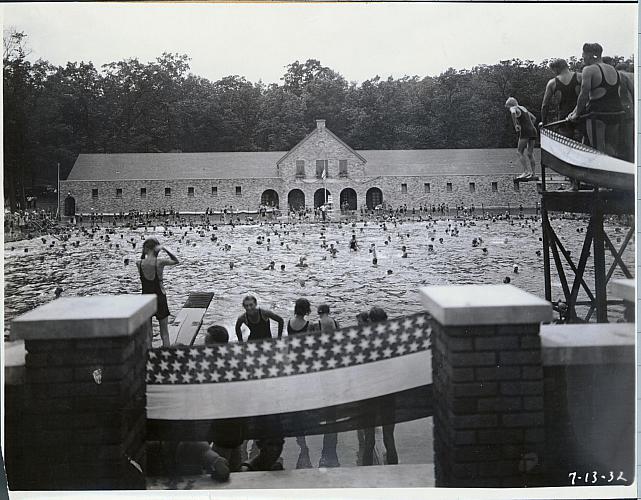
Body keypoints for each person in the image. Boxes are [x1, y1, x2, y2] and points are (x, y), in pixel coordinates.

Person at [568, 43, 624, 157]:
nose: (582, 57)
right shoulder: (613, 69)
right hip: (616, 112)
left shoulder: (589, 70)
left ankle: (601, 174)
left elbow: (584, 95)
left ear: (591, 55)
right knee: (610, 148)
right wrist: (573, 112)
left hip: (598, 114)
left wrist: (576, 115)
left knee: (598, 151)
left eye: (583, 54)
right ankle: (612, 174)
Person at [361, 307, 398, 466]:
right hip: (388, 391)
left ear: (371, 321)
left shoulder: (365, 341)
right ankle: (394, 475)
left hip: (369, 393)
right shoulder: (391, 340)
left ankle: (367, 475)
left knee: (369, 440)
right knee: (389, 438)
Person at [286, 298, 314, 468]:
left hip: (292, 356)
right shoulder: (309, 325)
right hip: (303, 358)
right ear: (307, 310)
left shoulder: (289, 322)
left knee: (295, 382)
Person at [137, 238, 179, 347]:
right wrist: (165, 249)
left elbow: (143, 258)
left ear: (145, 249)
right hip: (160, 298)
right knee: (164, 333)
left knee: (148, 334)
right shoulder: (160, 262)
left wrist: (143, 253)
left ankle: (149, 358)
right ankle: (167, 356)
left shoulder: (139, 263)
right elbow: (176, 260)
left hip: (145, 300)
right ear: (156, 249)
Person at [316, 304, 341, 468]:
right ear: (329, 312)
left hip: (324, 358)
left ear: (319, 313)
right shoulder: (336, 322)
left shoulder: (316, 324)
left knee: (325, 383)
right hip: (334, 356)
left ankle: (327, 406)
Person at [541, 58, 582, 140]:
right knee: (583, 147)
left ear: (557, 68)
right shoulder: (580, 77)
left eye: (553, 70)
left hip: (563, 118)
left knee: (566, 147)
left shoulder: (552, 83)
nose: (554, 73)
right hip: (580, 115)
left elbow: (545, 105)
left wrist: (544, 123)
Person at [505, 97, 537, 180]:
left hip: (525, 131)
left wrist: (516, 125)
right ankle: (533, 173)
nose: (509, 109)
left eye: (508, 107)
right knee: (530, 153)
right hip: (533, 130)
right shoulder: (523, 108)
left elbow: (512, 113)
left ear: (510, 105)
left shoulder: (513, 108)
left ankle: (525, 172)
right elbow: (534, 118)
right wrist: (529, 126)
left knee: (519, 152)